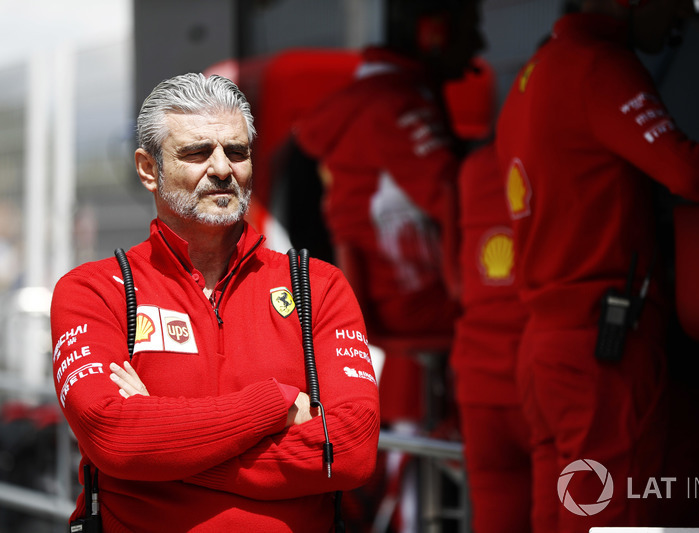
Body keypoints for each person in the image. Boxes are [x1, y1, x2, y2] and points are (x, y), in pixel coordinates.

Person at [494, 0, 699, 531]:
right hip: (601, 351)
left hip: (545, 351)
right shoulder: (598, 64)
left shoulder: (531, 75)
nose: (682, 15)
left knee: (562, 520)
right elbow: (686, 172)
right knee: (615, 523)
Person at [50, 73, 380, 533]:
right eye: (197, 152)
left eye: (237, 151)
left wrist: (165, 450)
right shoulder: (94, 290)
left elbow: (351, 453)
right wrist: (275, 403)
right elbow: (114, 436)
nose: (223, 168)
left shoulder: (317, 287)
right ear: (149, 169)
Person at [292, 0, 486, 425]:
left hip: (388, 298)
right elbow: (461, 202)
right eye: (472, 27)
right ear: (434, 31)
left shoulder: (371, 100)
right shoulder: (397, 106)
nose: (481, 44)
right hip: (420, 302)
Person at [449, 141, 531, 532]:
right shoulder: (565, 153)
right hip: (546, 376)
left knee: (497, 508)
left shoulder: (475, 168)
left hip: (478, 378)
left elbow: (456, 280)